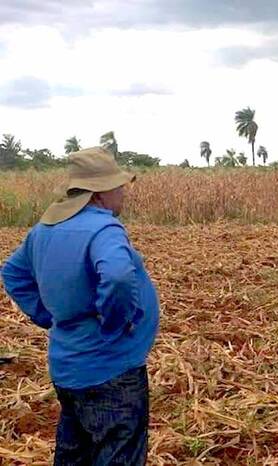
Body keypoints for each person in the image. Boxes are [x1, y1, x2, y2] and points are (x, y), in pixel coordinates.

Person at [1, 147, 160, 465]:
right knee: (119, 454)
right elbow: (116, 276)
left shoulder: (44, 230)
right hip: (111, 369)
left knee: (76, 454)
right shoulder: (104, 228)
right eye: (119, 186)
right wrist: (116, 323)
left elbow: (12, 272)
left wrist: (46, 315)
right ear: (101, 192)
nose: (122, 193)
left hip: (68, 367)